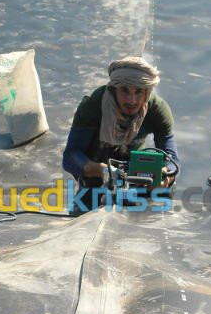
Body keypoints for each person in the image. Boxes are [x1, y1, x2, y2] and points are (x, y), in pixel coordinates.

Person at [62, 56, 179, 210]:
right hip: (97, 167)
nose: (132, 100)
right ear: (113, 89)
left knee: (164, 188)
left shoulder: (158, 110)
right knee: (86, 203)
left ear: (147, 92)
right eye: (125, 91)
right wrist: (99, 170)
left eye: (139, 92)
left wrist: (166, 175)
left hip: (135, 167)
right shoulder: (93, 105)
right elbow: (71, 155)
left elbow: (172, 158)